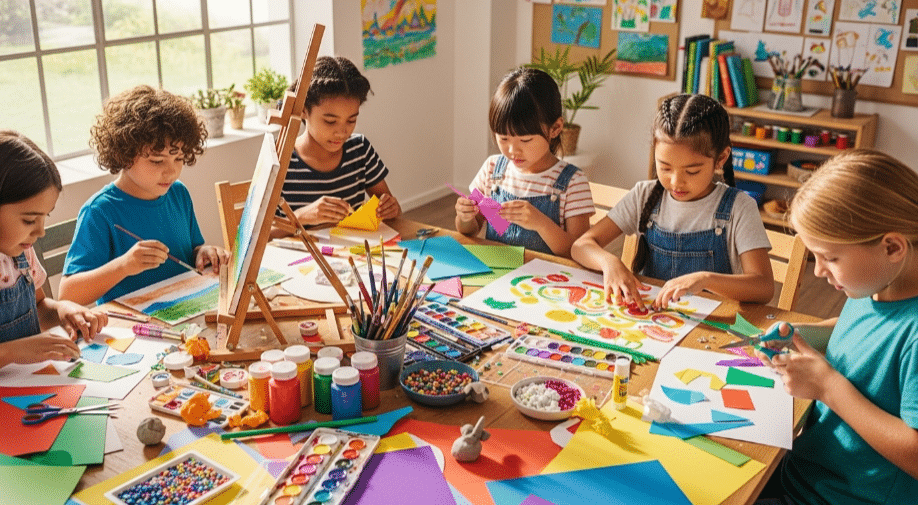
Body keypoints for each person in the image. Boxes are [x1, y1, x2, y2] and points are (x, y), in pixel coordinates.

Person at [756, 149, 918, 505]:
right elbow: (861, 330)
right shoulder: (874, 284)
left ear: (892, 247)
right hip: (804, 472)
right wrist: (802, 334)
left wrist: (828, 387)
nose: (817, 270)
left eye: (830, 257)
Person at [571, 94, 773, 310]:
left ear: (721, 159)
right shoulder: (644, 195)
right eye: (665, 167)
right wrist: (609, 262)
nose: (676, 182)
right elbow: (580, 246)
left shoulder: (739, 207)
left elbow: (763, 287)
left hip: (711, 323)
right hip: (654, 319)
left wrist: (706, 279)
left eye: (692, 171)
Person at [60, 85, 229, 306]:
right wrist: (124, 266)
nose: (171, 171)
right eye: (157, 161)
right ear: (123, 155)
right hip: (134, 323)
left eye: (178, 158)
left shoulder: (178, 193)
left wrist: (203, 252)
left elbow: (192, 250)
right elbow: (68, 295)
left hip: (186, 311)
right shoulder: (100, 212)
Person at [455, 67, 594, 256]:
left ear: (555, 128)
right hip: (497, 270)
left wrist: (541, 223)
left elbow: (580, 252)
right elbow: (470, 230)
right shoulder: (493, 170)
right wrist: (465, 217)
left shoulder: (572, 183)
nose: (513, 151)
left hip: (546, 274)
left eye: (525, 140)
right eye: (503, 139)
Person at [0, 131, 107, 366]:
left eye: (44, 217)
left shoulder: (21, 251)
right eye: (29, 220)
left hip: (31, 381)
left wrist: (62, 310)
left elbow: (39, 305)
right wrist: (10, 352)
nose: (40, 232)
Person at [274, 56, 400, 235]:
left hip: (352, 251)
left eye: (351, 120)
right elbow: (257, 237)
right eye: (330, 121)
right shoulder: (279, 157)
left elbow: (394, 214)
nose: (342, 132)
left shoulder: (360, 150)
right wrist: (301, 217)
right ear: (303, 110)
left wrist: (391, 209)